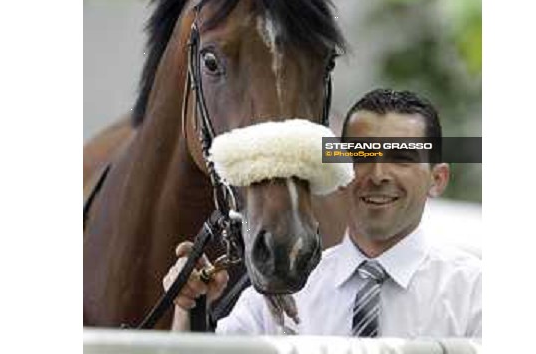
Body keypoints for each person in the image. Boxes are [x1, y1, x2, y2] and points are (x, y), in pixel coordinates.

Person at [163, 89, 482, 338]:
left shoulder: (476, 292)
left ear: (437, 179)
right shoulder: (281, 293)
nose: (379, 174)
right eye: (362, 156)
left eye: (401, 158)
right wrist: (189, 306)